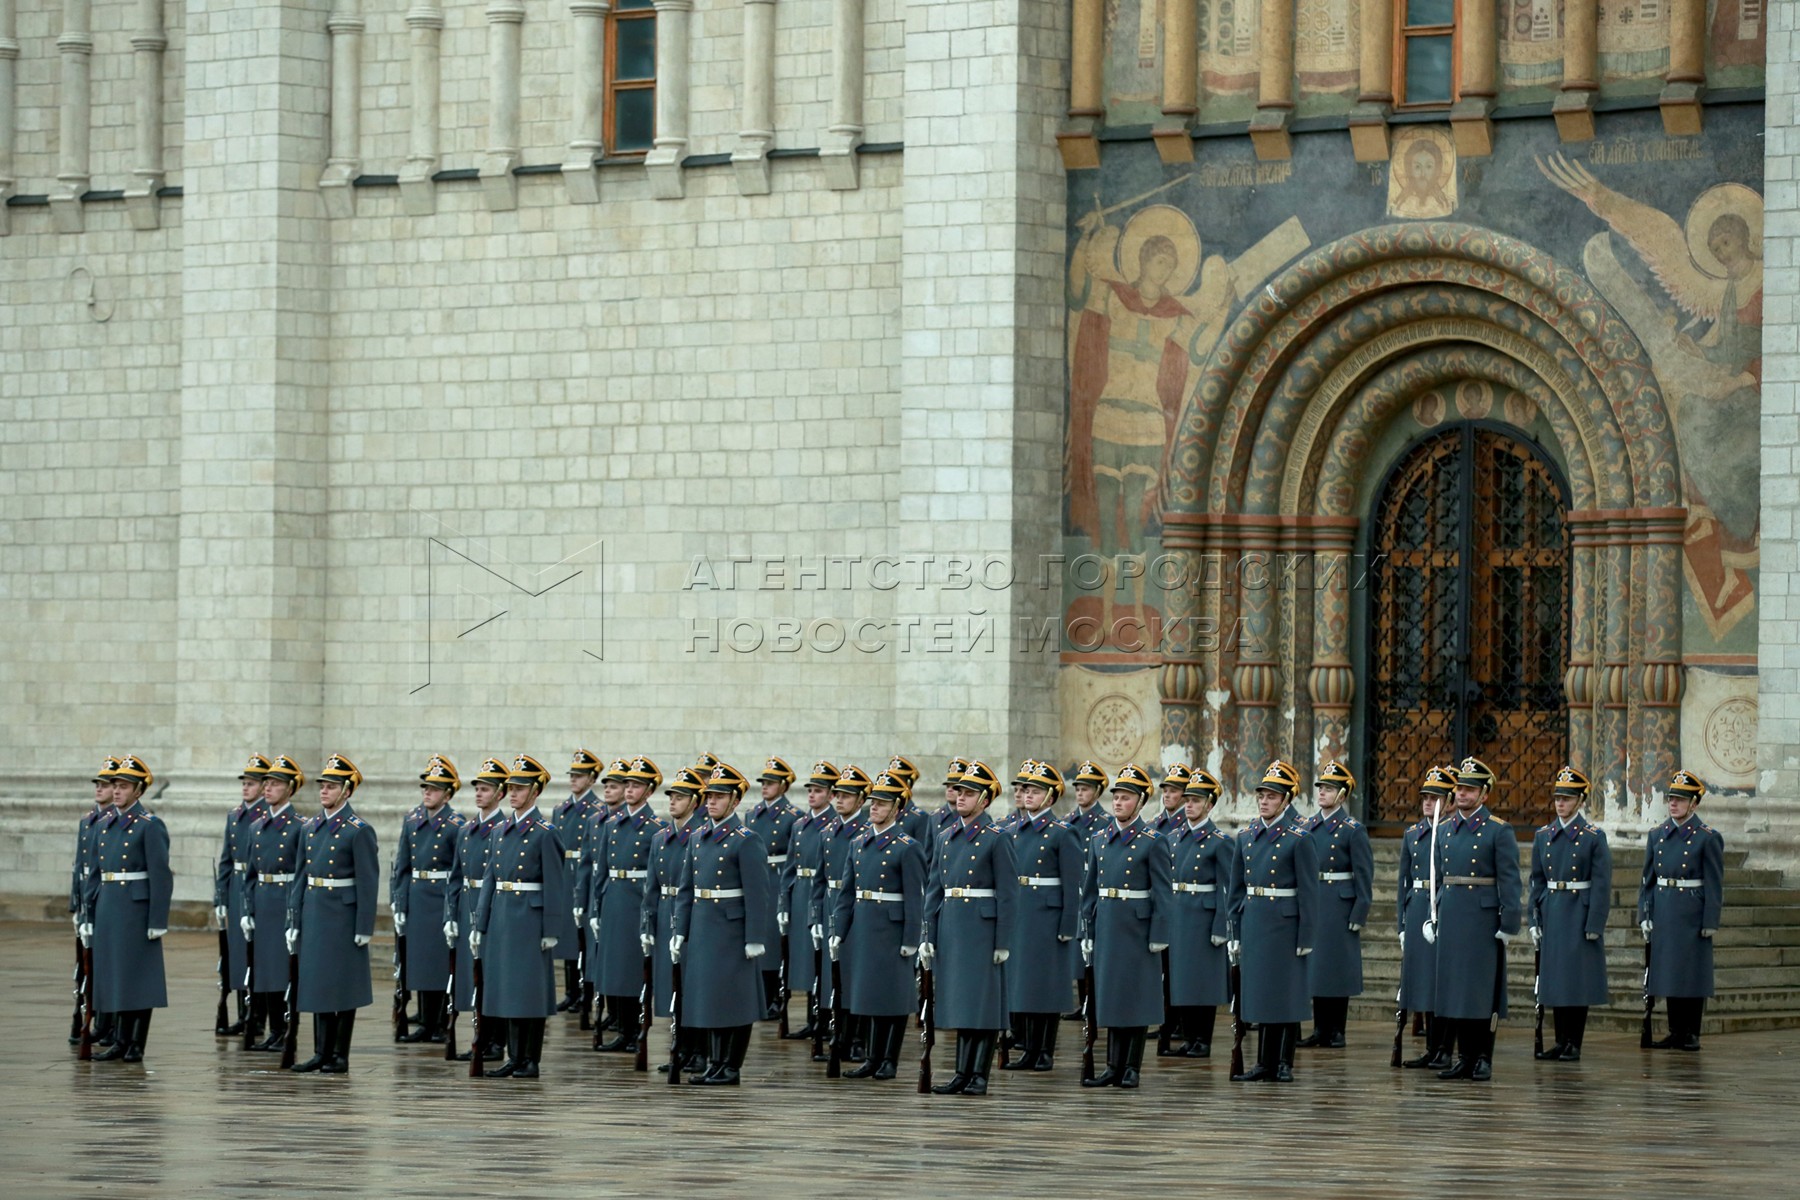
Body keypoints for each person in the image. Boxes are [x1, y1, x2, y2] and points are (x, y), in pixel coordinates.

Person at [471, 754, 577, 1078]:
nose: (513, 794)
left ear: (534, 792)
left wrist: (551, 929)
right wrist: (480, 921)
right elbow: (490, 878)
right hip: (503, 917)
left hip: (530, 921)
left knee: (528, 993)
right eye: (510, 788)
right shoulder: (500, 831)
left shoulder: (546, 832)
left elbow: (556, 885)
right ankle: (514, 1056)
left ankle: (530, 1059)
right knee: (506, 990)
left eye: (519, 788)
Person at [672, 762, 775, 1085]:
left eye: (719, 796)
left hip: (732, 929)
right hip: (703, 927)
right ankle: (714, 1062)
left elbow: (758, 893)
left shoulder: (746, 839)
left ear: (734, 801)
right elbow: (687, 889)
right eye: (709, 796)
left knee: (735, 999)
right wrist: (680, 929)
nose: (711, 802)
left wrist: (755, 936)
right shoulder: (698, 837)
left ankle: (730, 1065)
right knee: (709, 998)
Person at [921, 760, 1017, 1095]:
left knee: (983, 1004)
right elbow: (935, 888)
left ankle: (979, 1074)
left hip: (982, 928)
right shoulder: (946, 837)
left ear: (986, 800)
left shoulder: (997, 838)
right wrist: (928, 935)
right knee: (962, 1002)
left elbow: (1008, 893)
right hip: (953, 926)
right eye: (959, 791)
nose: (960, 797)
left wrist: (1003, 940)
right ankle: (962, 1072)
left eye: (969, 793)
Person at [1424, 757, 1521, 1082]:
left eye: (1469, 789)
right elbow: (1438, 876)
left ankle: (1483, 1057)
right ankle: (1464, 1057)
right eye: (1460, 789)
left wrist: (1509, 922)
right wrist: (1433, 914)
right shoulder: (1446, 830)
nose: (1462, 794)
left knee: (1482, 992)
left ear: (1484, 794)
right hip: (1453, 914)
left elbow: (1509, 879)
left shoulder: (1498, 830)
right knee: (1457, 990)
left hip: (1483, 918)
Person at [1078, 762, 1172, 1088]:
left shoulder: (1153, 840)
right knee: (1112, 998)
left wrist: (1160, 933)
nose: (1118, 803)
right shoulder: (1099, 839)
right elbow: (1090, 890)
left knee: (1137, 998)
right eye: (1116, 797)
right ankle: (1111, 1066)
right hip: (1107, 925)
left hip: (1138, 928)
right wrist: (1086, 930)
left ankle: (1132, 1066)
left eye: (1126, 798)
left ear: (1141, 802)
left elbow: (1163, 892)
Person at [830, 771, 928, 1080]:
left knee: (894, 997)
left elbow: (916, 896)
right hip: (864, 926)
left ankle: (889, 1059)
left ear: (896, 808)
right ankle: (872, 1057)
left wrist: (913, 937)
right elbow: (847, 893)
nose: (874, 808)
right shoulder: (859, 843)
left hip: (892, 928)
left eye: (882, 804)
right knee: (869, 995)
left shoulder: (907, 846)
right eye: (872, 802)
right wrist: (839, 930)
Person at [286, 754, 379, 1074]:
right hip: (314, 912)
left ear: (347, 791)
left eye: (331, 786)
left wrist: (364, 924)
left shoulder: (358, 830)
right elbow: (300, 876)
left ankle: (339, 1054)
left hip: (343, 915)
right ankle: (319, 1052)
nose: (324, 791)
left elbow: (369, 881)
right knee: (317, 984)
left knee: (343, 985)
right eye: (323, 785)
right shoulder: (309, 827)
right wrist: (294, 919)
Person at [1226, 759, 1316, 1083]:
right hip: (1256, 923)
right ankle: (1263, 1062)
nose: (1264, 801)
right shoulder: (1246, 837)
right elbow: (1236, 891)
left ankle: (1284, 1062)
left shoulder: (1298, 837)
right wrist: (1234, 930)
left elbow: (1309, 891)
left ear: (1286, 800)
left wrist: (1306, 936)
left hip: (1286, 924)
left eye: (1272, 796)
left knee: (1287, 995)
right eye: (1262, 795)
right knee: (1261, 994)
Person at [81, 754, 170, 1064]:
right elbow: (94, 872)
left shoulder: (149, 825)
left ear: (138, 791)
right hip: (107, 906)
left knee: (138, 977)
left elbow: (161, 875)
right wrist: (87, 915)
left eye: (123, 786)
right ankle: (118, 1040)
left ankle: (135, 1043)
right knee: (113, 976)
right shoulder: (102, 825)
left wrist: (158, 918)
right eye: (114, 785)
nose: (116, 791)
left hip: (136, 908)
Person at [1528, 766, 1612, 1062]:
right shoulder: (1544, 835)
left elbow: (1602, 884)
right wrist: (1534, 918)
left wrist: (1595, 922)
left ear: (1580, 801)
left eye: (1567, 798)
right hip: (1553, 910)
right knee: (1556, 981)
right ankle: (1560, 1040)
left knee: (1577, 982)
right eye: (1557, 798)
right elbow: (1536, 880)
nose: (1560, 804)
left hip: (1579, 911)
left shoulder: (1592, 837)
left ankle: (1574, 1042)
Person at [1638, 768, 1725, 1051]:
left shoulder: (1707, 837)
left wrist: (1710, 918)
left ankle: (1691, 1032)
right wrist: (1645, 914)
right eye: (1671, 798)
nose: (1673, 803)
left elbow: (1714, 882)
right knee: (1669, 973)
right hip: (1664, 908)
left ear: (1694, 804)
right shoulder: (1657, 836)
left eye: (1680, 799)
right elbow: (1647, 880)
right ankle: (1675, 1030)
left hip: (1691, 910)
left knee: (1692, 973)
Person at [1003, 758, 1081, 1072]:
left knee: (1046, 987)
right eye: (1026, 790)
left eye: (1035, 791)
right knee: (1023, 985)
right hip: (1022, 915)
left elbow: (1072, 883)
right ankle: (1029, 1049)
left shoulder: (1063, 833)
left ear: (1050, 797)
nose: (1029, 795)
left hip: (1048, 918)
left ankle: (1045, 1051)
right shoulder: (1013, 831)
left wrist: (1067, 924)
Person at [590, 755, 667, 1054]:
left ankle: (637, 1030)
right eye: (628, 785)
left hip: (637, 900)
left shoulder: (655, 827)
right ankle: (622, 1029)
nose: (630, 790)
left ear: (648, 791)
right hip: (614, 898)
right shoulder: (612, 825)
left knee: (635, 970)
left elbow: (655, 875)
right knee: (613, 970)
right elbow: (601, 869)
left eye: (636, 786)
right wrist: (597, 907)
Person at [1297, 760, 1372, 1049]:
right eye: (1321, 788)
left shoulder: (1352, 829)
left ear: (1342, 795)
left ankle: (1337, 1030)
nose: (1322, 794)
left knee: (1337, 969)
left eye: (1329, 789)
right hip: (1315, 899)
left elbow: (1364, 873)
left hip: (1340, 903)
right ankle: (1319, 1029)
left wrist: (1360, 909)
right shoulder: (1307, 826)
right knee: (1316, 968)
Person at [393, 754, 466, 1044]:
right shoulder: (412, 822)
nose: (427, 792)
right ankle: (424, 1022)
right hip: (417, 897)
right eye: (425, 788)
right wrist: (399, 903)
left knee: (439, 964)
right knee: (419, 963)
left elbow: (458, 870)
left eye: (434, 789)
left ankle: (439, 1024)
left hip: (441, 898)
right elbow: (402, 866)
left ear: (447, 794)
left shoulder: (456, 825)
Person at [446, 756, 510, 1063]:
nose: (479, 793)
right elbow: (456, 877)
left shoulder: (506, 828)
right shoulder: (466, 829)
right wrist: (451, 915)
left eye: (486, 789)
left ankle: (496, 1040)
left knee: (493, 976)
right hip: (467, 908)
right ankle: (480, 1037)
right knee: (472, 977)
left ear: (500, 794)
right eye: (478, 788)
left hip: (496, 908)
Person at [1165, 767, 1232, 1058]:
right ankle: (1189, 1037)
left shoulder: (1219, 841)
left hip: (1204, 919)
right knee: (1181, 979)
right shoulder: (1174, 838)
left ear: (1209, 804)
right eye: (1188, 799)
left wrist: (1221, 926)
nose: (1189, 805)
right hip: (1179, 915)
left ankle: (1202, 1039)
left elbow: (1227, 888)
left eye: (1196, 800)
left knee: (1202, 981)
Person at [241, 755, 306, 1054]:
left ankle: (286, 1029)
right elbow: (251, 875)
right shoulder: (256, 827)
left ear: (290, 789)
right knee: (265, 970)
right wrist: (247, 909)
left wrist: (296, 911)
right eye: (266, 782)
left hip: (285, 900)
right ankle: (273, 1030)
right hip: (264, 900)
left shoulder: (300, 826)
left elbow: (302, 872)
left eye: (276, 783)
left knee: (284, 970)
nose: (267, 788)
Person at [642, 766, 705, 1073]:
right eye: (671, 796)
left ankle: (698, 1051)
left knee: (693, 985)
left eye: (680, 797)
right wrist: (647, 924)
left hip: (694, 915)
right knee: (672, 986)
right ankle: (680, 1049)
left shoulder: (701, 836)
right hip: (667, 912)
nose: (672, 802)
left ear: (694, 801)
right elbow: (651, 887)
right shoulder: (660, 838)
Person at [1397, 765, 1457, 1070]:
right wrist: (1401, 923)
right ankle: (1432, 1048)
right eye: (1425, 798)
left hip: (1444, 908)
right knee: (1423, 984)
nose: (1428, 803)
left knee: (1441, 983)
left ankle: (1445, 1048)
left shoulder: (1450, 832)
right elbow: (1403, 880)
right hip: (1418, 907)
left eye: (1435, 798)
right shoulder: (1413, 834)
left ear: (1449, 802)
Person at [812, 764, 871, 1059]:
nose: (840, 800)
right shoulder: (827, 832)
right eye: (838, 795)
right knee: (832, 978)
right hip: (831, 906)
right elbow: (819, 879)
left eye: (847, 796)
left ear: (861, 801)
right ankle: (838, 1036)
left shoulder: (865, 832)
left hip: (857, 907)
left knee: (854, 976)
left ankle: (858, 1039)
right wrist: (814, 917)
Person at [780, 761, 838, 1042]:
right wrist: (784, 903)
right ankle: (811, 1019)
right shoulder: (800, 825)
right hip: (801, 893)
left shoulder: (833, 825)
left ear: (830, 794)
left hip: (822, 892)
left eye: (818, 790)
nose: (812, 795)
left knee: (823, 962)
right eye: (810, 790)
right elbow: (790, 867)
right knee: (803, 961)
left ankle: (826, 1020)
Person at [214, 753, 270, 1038]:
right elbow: (226, 859)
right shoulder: (235, 815)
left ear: (263, 787)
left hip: (259, 887)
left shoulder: (266, 815)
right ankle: (242, 1014)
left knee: (257, 954)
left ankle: (257, 1017)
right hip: (237, 886)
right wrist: (220, 898)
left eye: (252, 783)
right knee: (237, 954)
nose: (246, 788)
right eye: (244, 783)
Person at [578, 757, 632, 1027]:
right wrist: (582, 899)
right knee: (599, 956)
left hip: (620, 893)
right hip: (599, 892)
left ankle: (619, 1015)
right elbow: (587, 864)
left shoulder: (626, 820)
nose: (608, 790)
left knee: (617, 956)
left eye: (614, 786)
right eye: (606, 786)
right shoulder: (595, 821)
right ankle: (609, 1010)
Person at [71, 756, 120, 1050]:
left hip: (106, 899)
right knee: (86, 967)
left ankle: (107, 1022)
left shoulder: (115, 821)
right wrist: (75, 905)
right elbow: (79, 867)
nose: (100, 789)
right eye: (99, 784)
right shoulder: (88, 820)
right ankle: (91, 1018)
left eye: (106, 785)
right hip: (87, 900)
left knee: (106, 965)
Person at [746, 756, 800, 1020]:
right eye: (764, 782)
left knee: (776, 944)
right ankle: (763, 996)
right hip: (759, 877)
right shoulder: (751, 814)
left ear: (784, 786)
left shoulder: (793, 817)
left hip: (778, 878)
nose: (765, 786)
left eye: (771, 783)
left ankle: (778, 996)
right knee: (761, 941)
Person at [557, 749, 604, 1018]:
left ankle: (585, 990)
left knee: (584, 937)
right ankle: (570, 993)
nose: (574, 779)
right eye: (572, 775)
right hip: (566, 872)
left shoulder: (597, 810)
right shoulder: (561, 810)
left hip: (584, 871)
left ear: (591, 779)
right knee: (566, 936)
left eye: (579, 775)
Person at [1062, 760, 1108, 1022]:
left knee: (1093, 946)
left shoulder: (1105, 822)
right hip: (1075, 886)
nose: (1080, 793)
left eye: (1086, 789)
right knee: (1078, 950)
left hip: (1093, 886)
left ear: (1097, 792)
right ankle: (1082, 1002)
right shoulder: (1068, 821)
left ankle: (1094, 999)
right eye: (1078, 788)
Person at [1151, 763, 1191, 836]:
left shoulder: (1192, 825)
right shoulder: (1152, 826)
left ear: (1185, 794)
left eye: (1173, 791)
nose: (1166, 795)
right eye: (1165, 791)